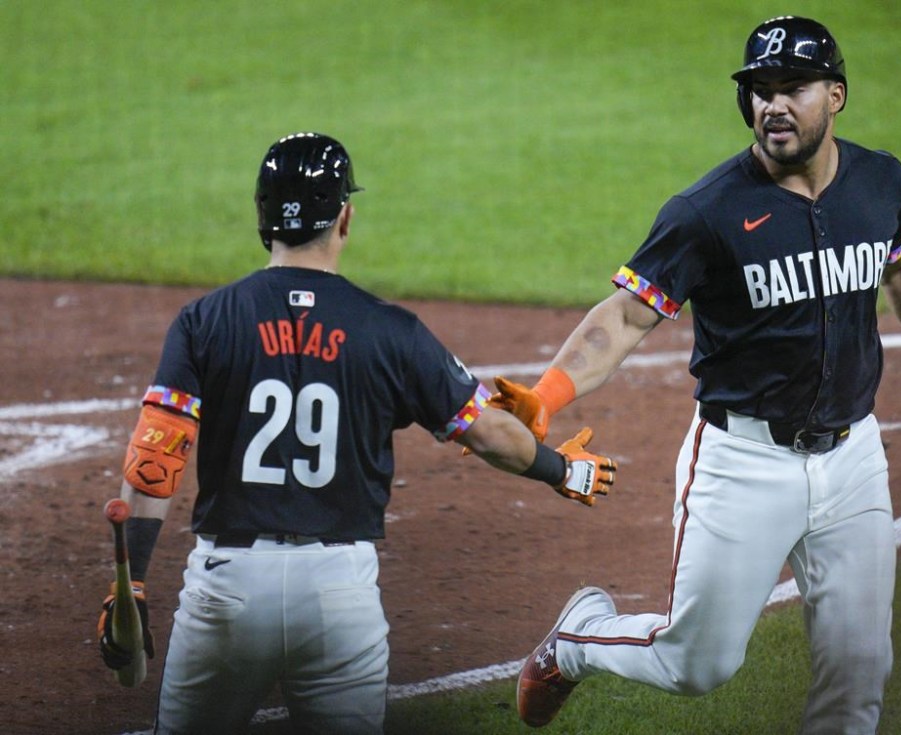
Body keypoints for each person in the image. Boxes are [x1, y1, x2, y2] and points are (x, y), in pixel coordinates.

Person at [502, 17, 901, 734]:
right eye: (760, 90)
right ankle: (577, 640)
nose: (773, 105)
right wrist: (547, 395)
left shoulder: (880, 182)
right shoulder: (708, 211)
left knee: (859, 677)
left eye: (792, 87)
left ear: (837, 95)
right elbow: (628, 316)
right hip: (743, 462)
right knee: (695, 663)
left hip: (852, 458)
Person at [95, 131, 617, 735]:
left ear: (262, 217)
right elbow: (491, 435)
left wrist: (129, 581)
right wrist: (562, 470)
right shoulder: (389, 331)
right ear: (345, 216)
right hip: (338, 594)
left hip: (227, 589)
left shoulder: (203, 322)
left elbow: (156, 460)